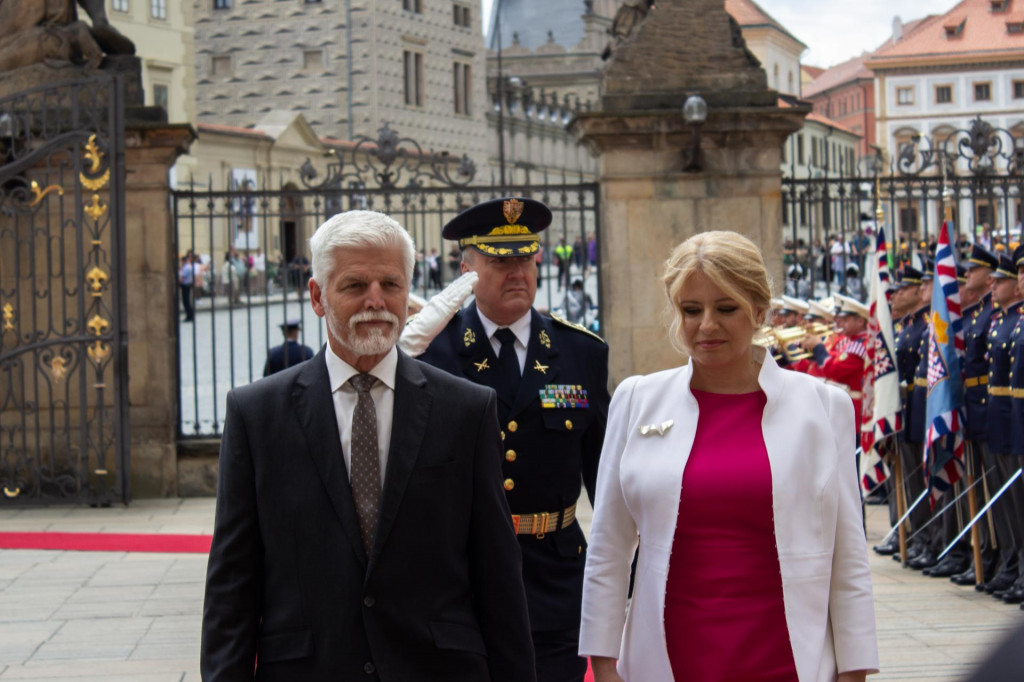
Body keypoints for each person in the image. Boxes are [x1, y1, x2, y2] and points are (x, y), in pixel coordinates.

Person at [201, 210, 536, 681]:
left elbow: (497, 574)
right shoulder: (257, 415)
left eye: (391, 285)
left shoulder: (467, 409)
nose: (375, 301)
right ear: (318, 297)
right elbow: (232, 583)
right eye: (355, 285)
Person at [579, 230, 878, 682]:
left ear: (760, 310)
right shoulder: (637, 399)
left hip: (786, 658)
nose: (707, 326)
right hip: (665, 657)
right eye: (691, 310)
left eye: (726, 308)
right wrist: (603, 665)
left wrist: (854, 671)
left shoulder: (823, 406)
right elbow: (608, 548)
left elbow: (848, 556)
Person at [417, 197, 610, 682]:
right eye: (500, 261)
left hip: (555, 571)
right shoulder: (430, 353)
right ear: (467, 268)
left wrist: (617, 578)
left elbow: (604, 479)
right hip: (465, 573)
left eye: (525, 258)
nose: (516, 272)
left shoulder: (580, 352)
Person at [178, 253, 195, 322]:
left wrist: (179, 282)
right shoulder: (187, 267)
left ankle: (189, 316)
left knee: (186, 301)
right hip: (187, 285)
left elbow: (182, 278)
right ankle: (190, 315)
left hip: (185, 285)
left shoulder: (186, 268)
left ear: (184, 261)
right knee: (187, 301)